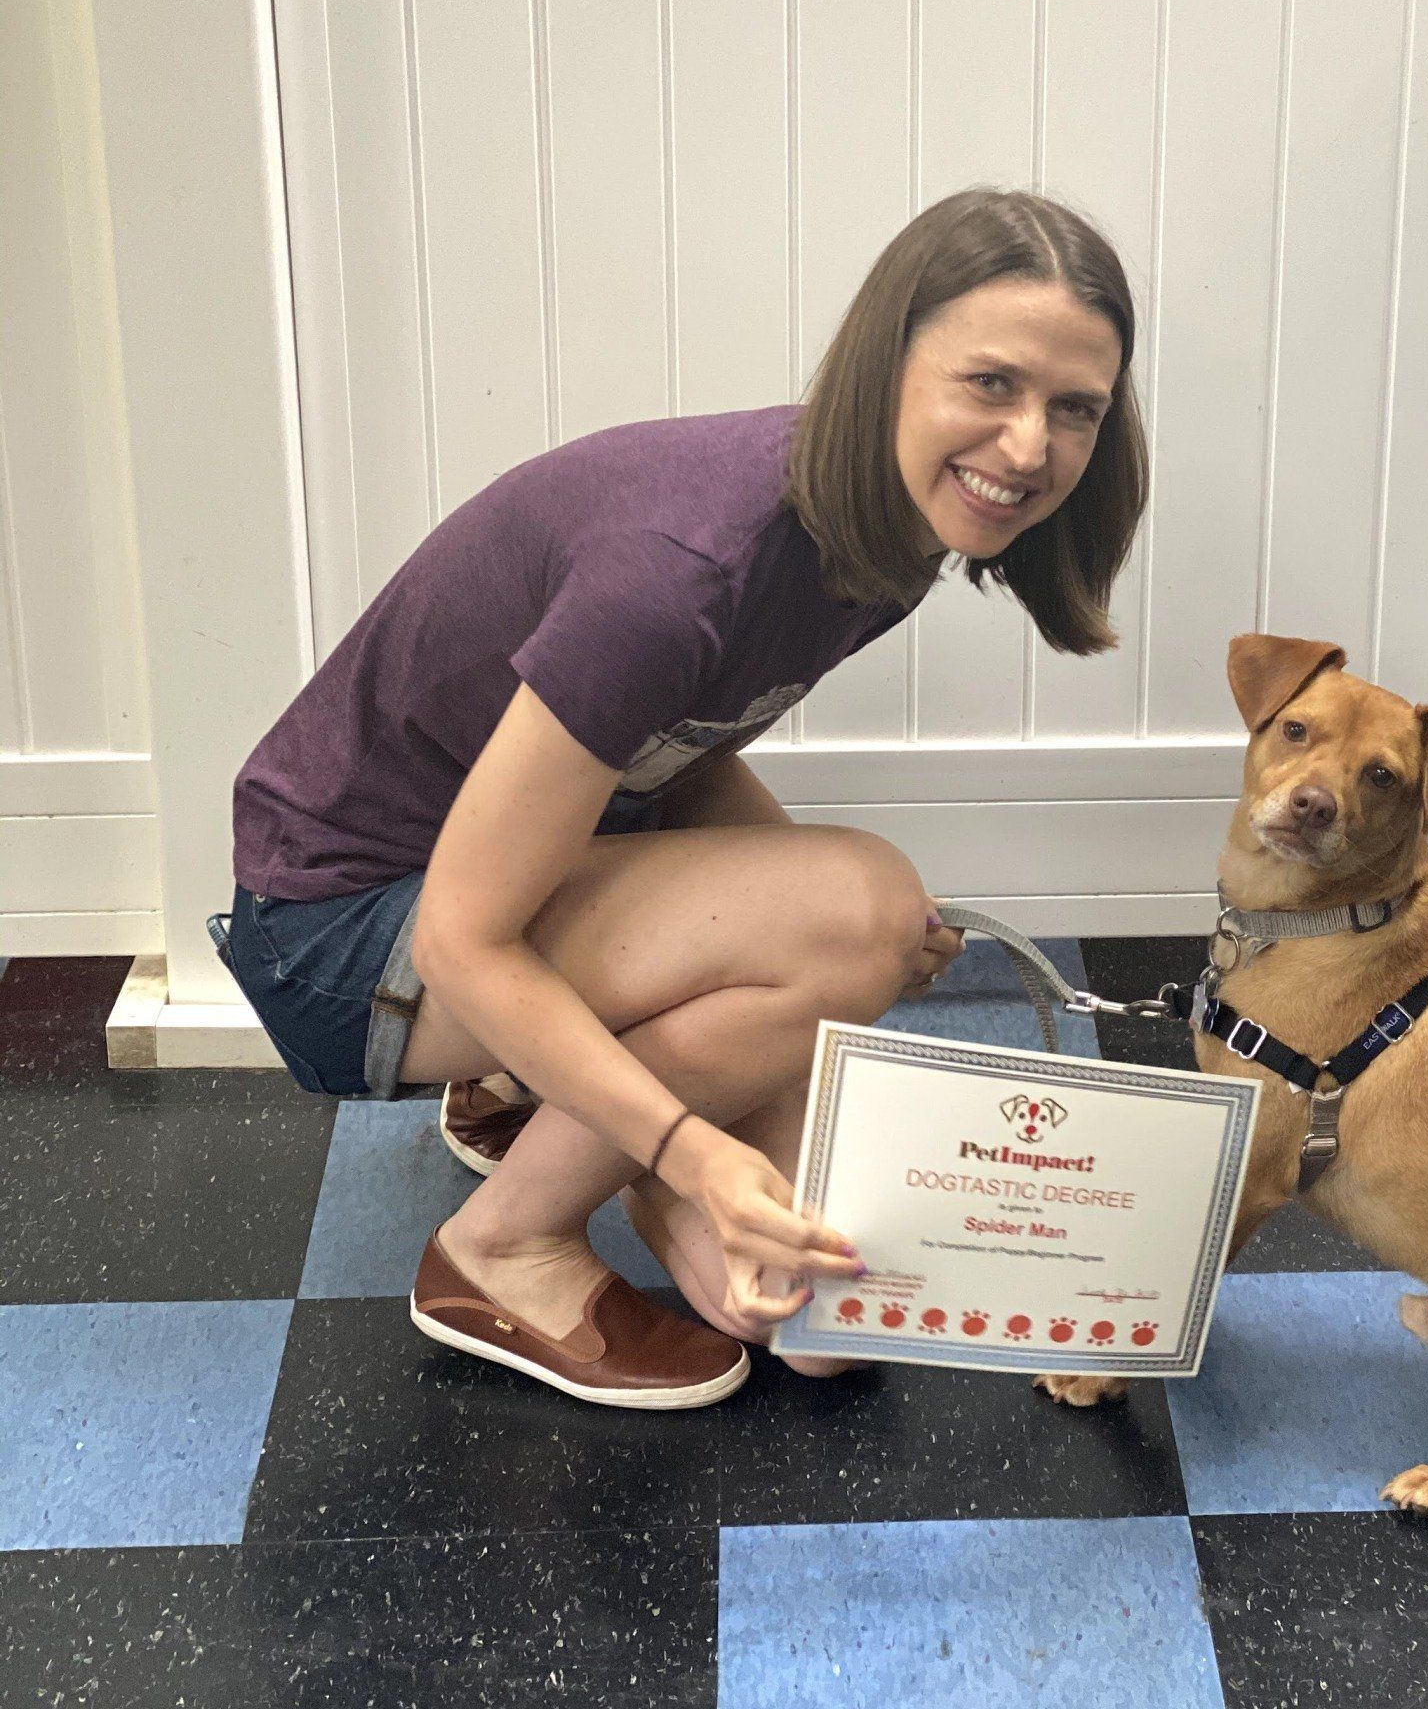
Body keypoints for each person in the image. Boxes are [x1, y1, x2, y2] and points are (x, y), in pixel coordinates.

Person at [220, 188, 1148, 1409]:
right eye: (991, 385)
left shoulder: (890, 529)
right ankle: (502, 1248)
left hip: (501, 875)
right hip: (341, 938)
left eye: (1073, 408)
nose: (1029, 446)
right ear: (887, 364)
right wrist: (688, 1145)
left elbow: (674, 747)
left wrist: (820, 928)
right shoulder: (685, 566)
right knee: (855, 912)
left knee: (823, 1321)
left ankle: (528, 1096)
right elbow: (462, 932)